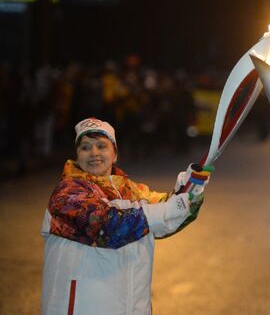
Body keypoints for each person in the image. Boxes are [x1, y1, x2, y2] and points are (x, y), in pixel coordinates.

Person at [40, 117, 211, 315]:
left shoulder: (133, 191)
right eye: (85, 147)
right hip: (81, 307)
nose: (94, 153)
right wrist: (169, 209)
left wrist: (190, 190)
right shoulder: (67, 194)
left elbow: (168, 217)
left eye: (101, 146)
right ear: (77, 155)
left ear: (115, 154)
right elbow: (107, 226)